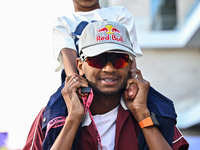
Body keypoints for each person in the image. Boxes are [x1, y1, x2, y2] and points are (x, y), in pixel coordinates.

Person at [23, 21, 189, 150]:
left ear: (129, 64)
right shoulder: (52, 115)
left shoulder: (152, 110)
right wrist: (73, 117)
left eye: (119, 59)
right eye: (98, 59)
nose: (109, 68)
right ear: (80, 66)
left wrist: (142, 115)